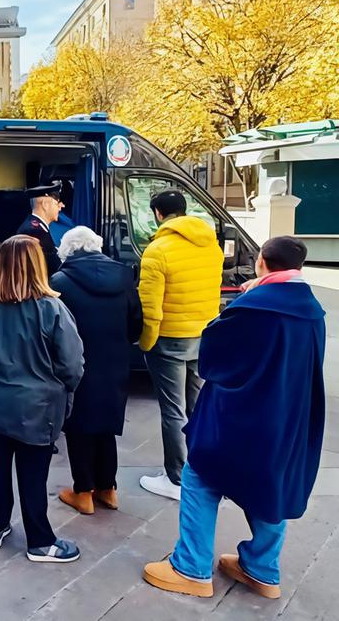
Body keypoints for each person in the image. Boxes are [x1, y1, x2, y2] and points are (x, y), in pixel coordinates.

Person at [144, 236, 326, 599]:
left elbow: (211, 358)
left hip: (240, 416)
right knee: (270, 484)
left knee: (200, 475)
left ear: (261, 262)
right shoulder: (313, 311)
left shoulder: (251, 306)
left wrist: (242, 300)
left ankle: (191, 567)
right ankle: (261, 569)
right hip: (287, 419)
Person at [0, 235, 85, 563]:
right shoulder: (52, 308)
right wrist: (64, 389)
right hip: (36, 407)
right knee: (33, 474)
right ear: (38, 265)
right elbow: (72, 365)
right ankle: (41, 541)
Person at [136, 189, 223, 501]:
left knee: (173, 411)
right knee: (198, 407)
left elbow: (151, 307)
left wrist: (146, 342)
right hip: (204, 336)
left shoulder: (158, 250)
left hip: (170, 339)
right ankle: (203, 470)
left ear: (159, 214)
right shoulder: (211, 245)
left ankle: (176, 477)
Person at [50, 227, 142, 514]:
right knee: (106, 426)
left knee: (78, 427)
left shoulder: (60, 281)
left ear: (68, 250)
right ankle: (108, 488)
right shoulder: (124, 276)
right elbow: (136, 322)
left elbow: (54, 329)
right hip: (115, 361)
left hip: (78, 362)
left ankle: (84, 491)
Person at [17, 181, 64, 275]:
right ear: (45, 205)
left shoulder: (37, 227)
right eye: (57, 203)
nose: (61, 207)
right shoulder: (34, 231)